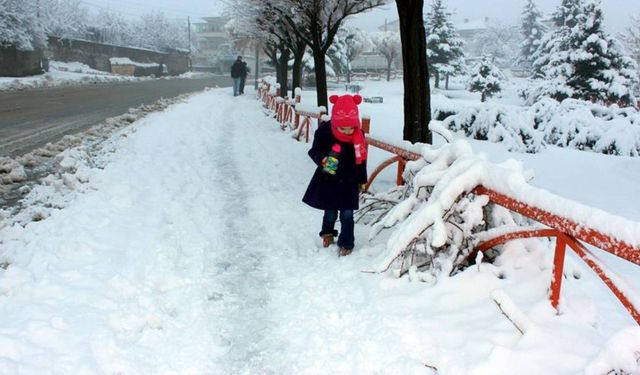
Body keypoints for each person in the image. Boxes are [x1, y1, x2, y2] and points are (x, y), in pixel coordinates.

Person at [302, 94, 368, 257]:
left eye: (350, 128)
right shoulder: (325, 131)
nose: (347, 132)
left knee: (347, 213)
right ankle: (327, 233)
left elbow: (362, 160)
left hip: (350, 179)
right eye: (342, 129)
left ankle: (346, 243)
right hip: (330, 178)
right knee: (330, 210)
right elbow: (314, 150)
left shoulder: (358, 136)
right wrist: (323, 159)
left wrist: (362, 180)